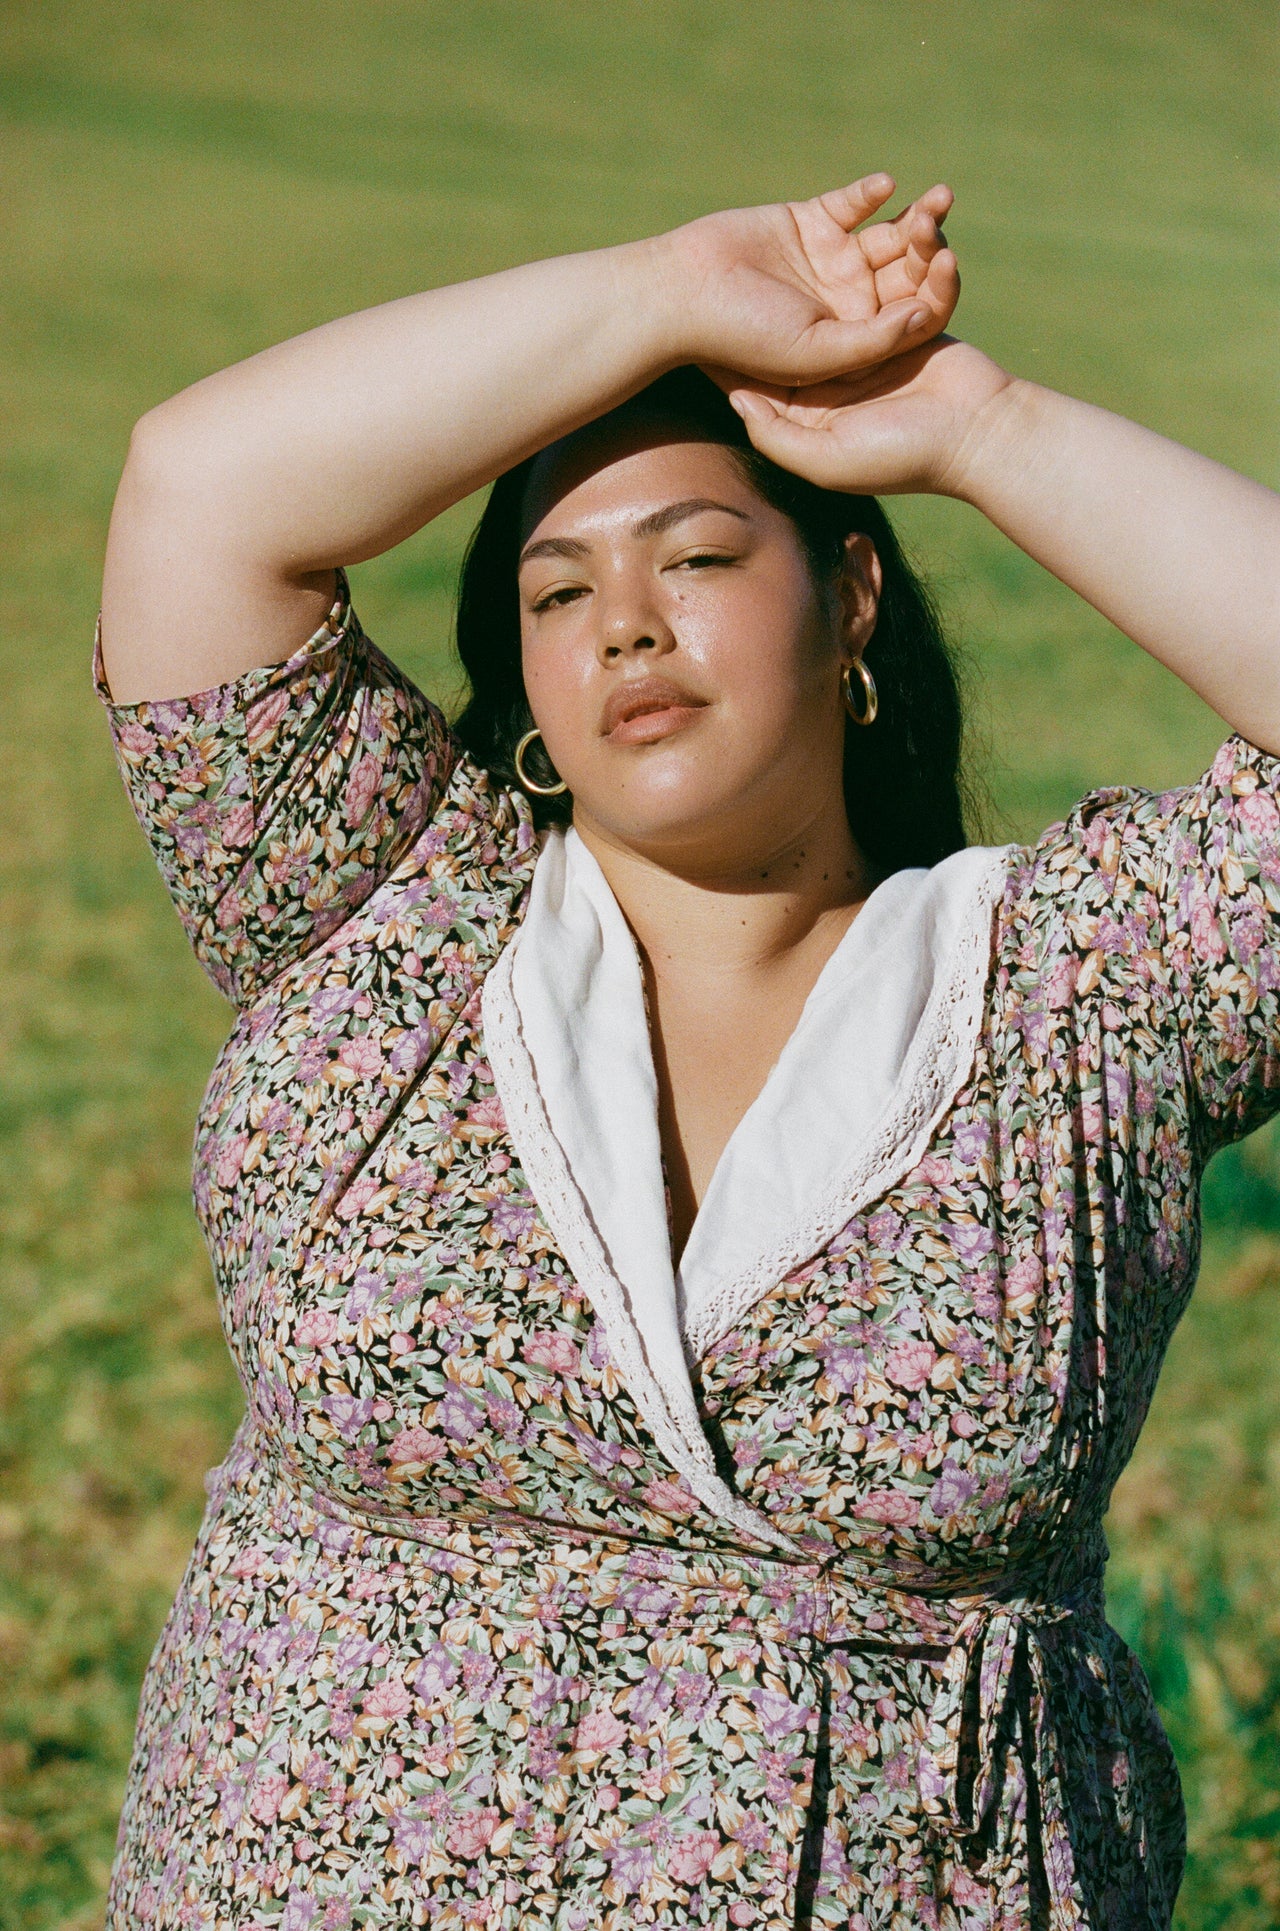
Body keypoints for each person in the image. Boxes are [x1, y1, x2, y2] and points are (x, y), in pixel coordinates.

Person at [94, 172, 1280, 1929]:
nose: (628, 624)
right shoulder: (379, 912)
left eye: (702, 557)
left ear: (853, 595)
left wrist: (976, 422)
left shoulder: (1076, 990)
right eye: (560, 596)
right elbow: (205, 486)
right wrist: (666, 292)